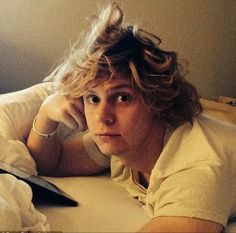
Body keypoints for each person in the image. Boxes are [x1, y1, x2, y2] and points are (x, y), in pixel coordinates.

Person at [26, 2, 236, 232]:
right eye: (93, 98)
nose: (103, 117)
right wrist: (47, 113)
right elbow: (51, 162)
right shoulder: (127, 141)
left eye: (123, 98)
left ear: (156, 101)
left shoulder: (196, 167)